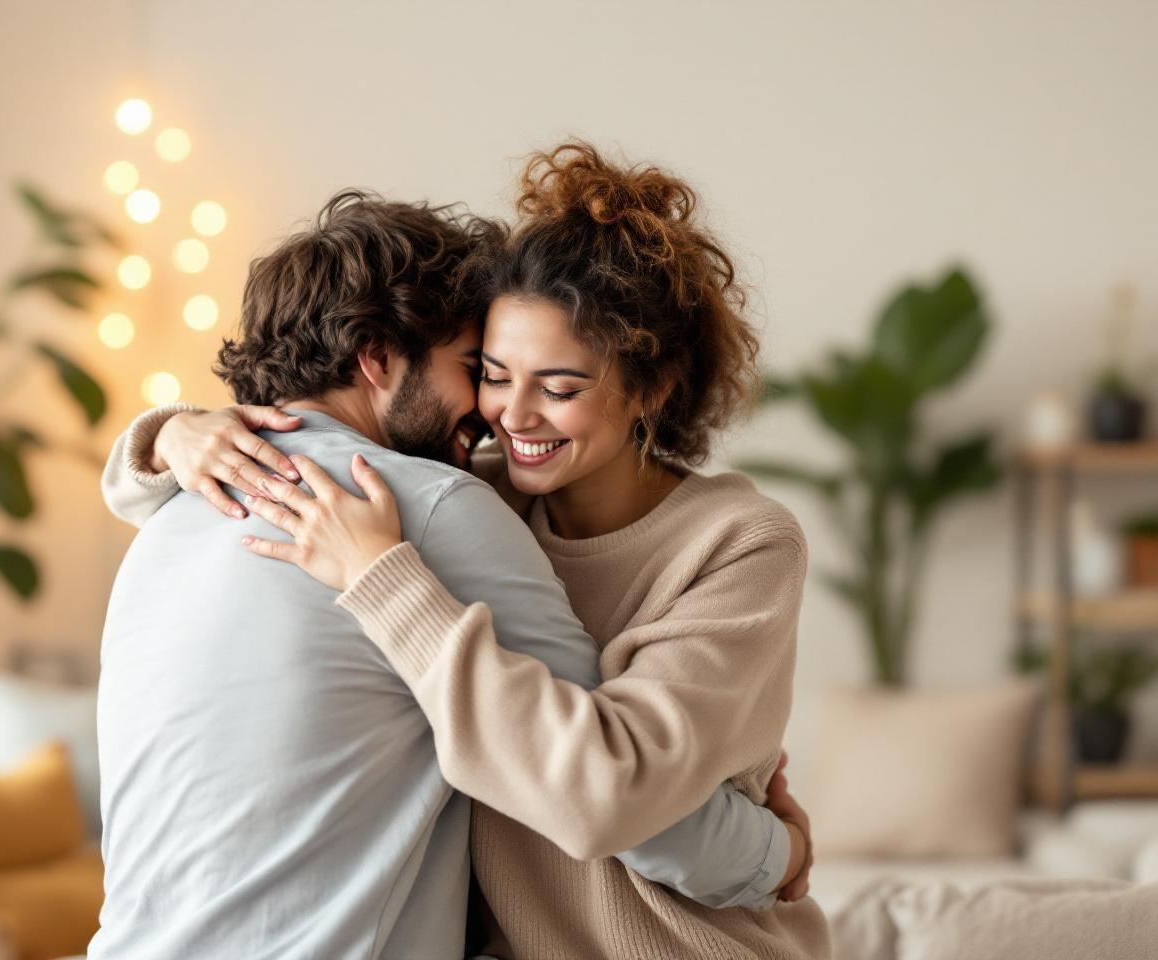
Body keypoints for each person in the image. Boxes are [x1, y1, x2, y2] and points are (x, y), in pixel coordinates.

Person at [105, 145, 830, 958]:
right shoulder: (472, 494)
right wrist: (170, 433)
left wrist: (780, 860)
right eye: (489, 372)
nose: (510, 416)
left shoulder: (738, 543)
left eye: (560, 388)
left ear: (651, 391)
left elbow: (607, 791)